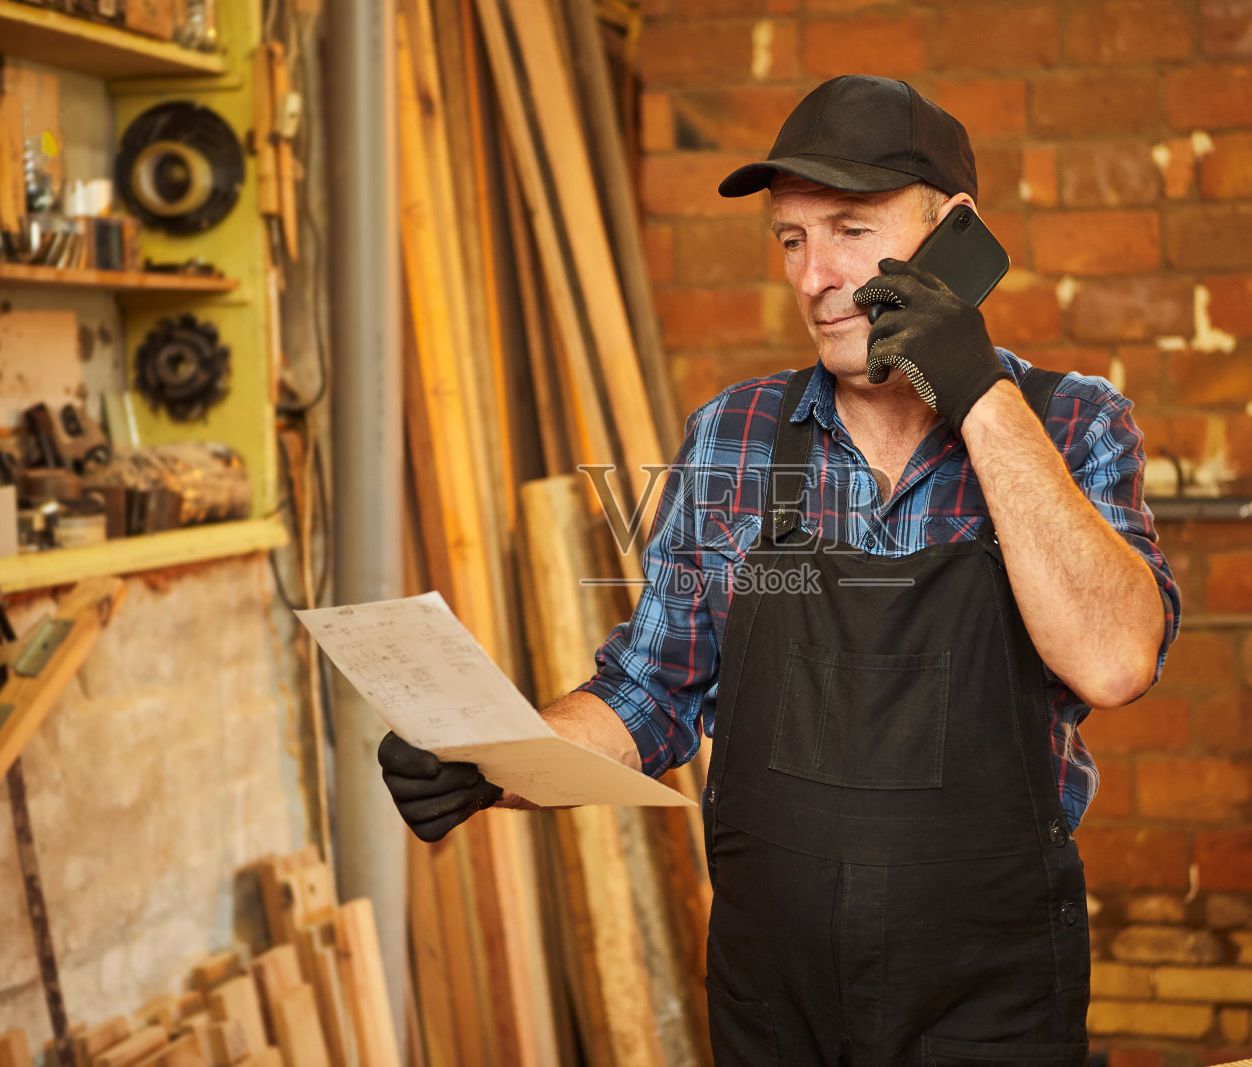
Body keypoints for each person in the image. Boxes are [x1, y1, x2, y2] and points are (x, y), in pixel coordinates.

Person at [380, 74, 1180, 1066]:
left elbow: (1113, 660)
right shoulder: (735, 436)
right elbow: (650, 693)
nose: (812, 277)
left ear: (953, 234)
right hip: (774, 1007)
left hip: (991, 1005)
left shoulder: (1071, 423)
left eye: (849, 228)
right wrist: (487, 758)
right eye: (791, 240)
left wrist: (975, 390)